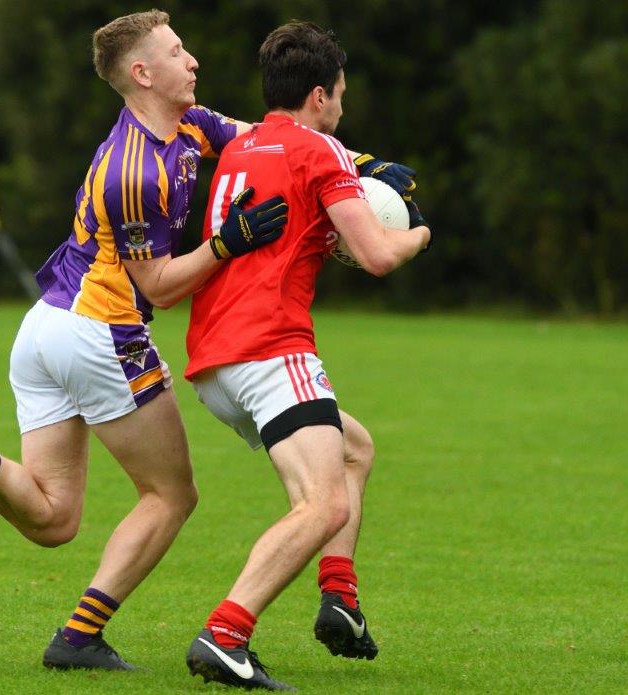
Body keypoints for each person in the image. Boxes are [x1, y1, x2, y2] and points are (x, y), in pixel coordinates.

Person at [0, 10, 413, 675]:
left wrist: (362, 163)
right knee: (172, 495)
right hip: (101, 333)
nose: (192, 60)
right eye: (177, 51)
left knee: (54, 517)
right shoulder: (133, 171)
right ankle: (136, 634)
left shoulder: (187, 122)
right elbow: (157, 287)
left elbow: (269, 135)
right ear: (141, 73)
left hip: (42, 329)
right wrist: (223, 244)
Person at [183, 22, 432, 691]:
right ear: (319, 95)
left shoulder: (244, 145)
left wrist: (355, 173)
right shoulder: (320, 150)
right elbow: (379, 254)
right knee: (323, 505)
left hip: (214, 360)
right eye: (341, 95)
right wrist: (419, 232)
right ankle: (226, 633)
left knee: (354, 449)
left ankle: (340, 600)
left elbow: (306, 174)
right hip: (270, 346)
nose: (343, 107)